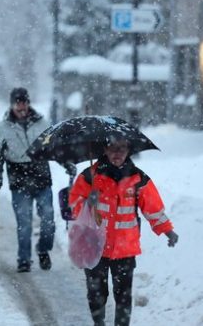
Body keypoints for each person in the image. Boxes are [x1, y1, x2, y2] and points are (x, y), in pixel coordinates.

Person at [68, 138, 179, 326]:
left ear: (129, 151)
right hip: (95, 246)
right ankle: (99, 322)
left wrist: (167, 230)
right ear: (105, 149)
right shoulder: (90, 176)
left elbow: (152, 208)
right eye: (113, 148)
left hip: (125, 249)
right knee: (96, 292)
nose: (117, 153)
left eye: (122, 148)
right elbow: (74, 204)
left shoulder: (138, 178)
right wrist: (87, 203)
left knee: (123, 296)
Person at [0, 87, 75, 273]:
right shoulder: (3, 128)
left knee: (48, 220)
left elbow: (54, 148)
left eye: (24, 102)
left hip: (41, 176)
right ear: (12, 105)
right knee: (24, 223)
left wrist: (66, 163)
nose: (21, 107)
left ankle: (43, 249)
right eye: (17, 103)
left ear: (28, 103)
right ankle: (24, 259)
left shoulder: (41, 123)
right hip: (18, 178)